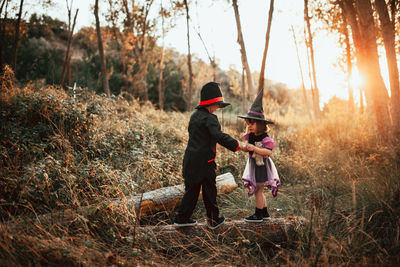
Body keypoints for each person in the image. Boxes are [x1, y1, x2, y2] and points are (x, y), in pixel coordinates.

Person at [174, 82, 243, 229]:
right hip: (205, 162)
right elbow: (218, 136)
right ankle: (213, 220)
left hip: (190, 160)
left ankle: (182, 218)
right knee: (209, 191)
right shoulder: (210, 119)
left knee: (191, 190)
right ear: (211, 104)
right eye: (217, 105)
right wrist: (237, 145)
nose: (218, 108)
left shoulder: (194, 116)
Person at [238, 88, 280, 222]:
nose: (249, 125)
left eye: (252, 123)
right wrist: (242, 147)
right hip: (254, 165)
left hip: (261, 166)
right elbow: (248, 149)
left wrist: (255, 148)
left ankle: (258, 214)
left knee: (258, 190)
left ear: (261, 124)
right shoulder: (251, 136)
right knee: (259, 190)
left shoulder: (264, 137)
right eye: (248, 123)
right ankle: (265, 213)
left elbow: (268, 152)